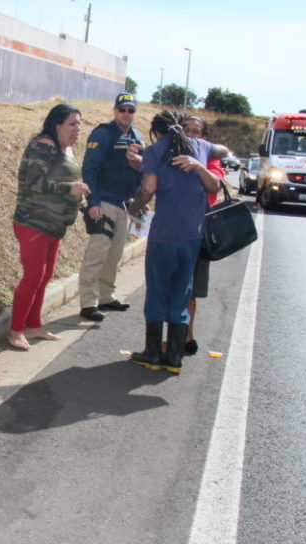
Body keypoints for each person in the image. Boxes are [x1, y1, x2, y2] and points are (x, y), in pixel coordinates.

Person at [127, 110, 228, 374]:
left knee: (158, 290)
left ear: (156, 132)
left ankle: (151, 353)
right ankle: (174, 356)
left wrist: (134, 206)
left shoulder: (156, 150)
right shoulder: (201, 147)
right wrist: (200, 163)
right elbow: (223, 154)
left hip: (163, 236)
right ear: (180, 128)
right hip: (191, 236)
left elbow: (148, 189)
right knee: (182, 292)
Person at [8, 104, 91, 351]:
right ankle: (15, 331)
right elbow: (34, 182)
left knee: (44, 277)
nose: (78, 128)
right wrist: (70, 189)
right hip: (33, 222)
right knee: (33, 277)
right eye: (72, 124)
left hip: (55, 226)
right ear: (57, 124)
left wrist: (83, 203)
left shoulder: (68, 149)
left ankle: (33, 326)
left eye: (79, 123)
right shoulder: (44, 144)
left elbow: (69, 182)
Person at [77, 92, 146, 322]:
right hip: (104, 203)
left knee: (114, 255)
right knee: (97, 254)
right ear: (114, 110)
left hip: (125, 204)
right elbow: (90, 169)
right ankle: (88, 303)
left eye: (131, 110)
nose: (126, 114)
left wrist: (139, 202)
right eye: (122, 109)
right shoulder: (103, 133)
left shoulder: (138, 136)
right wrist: (93, 202)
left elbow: (142, 173)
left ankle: (106, 296)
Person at [181, 116, 226, 356]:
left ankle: (187, 335)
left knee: (190, 290)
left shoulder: (210, 158)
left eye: (196, 132)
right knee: (173, 288)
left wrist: (198, 165)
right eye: (186, 130)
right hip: (174, 231)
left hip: (198, 232)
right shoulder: (172, 155)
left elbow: (214, 186)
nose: (190, 135)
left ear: (205, 138)